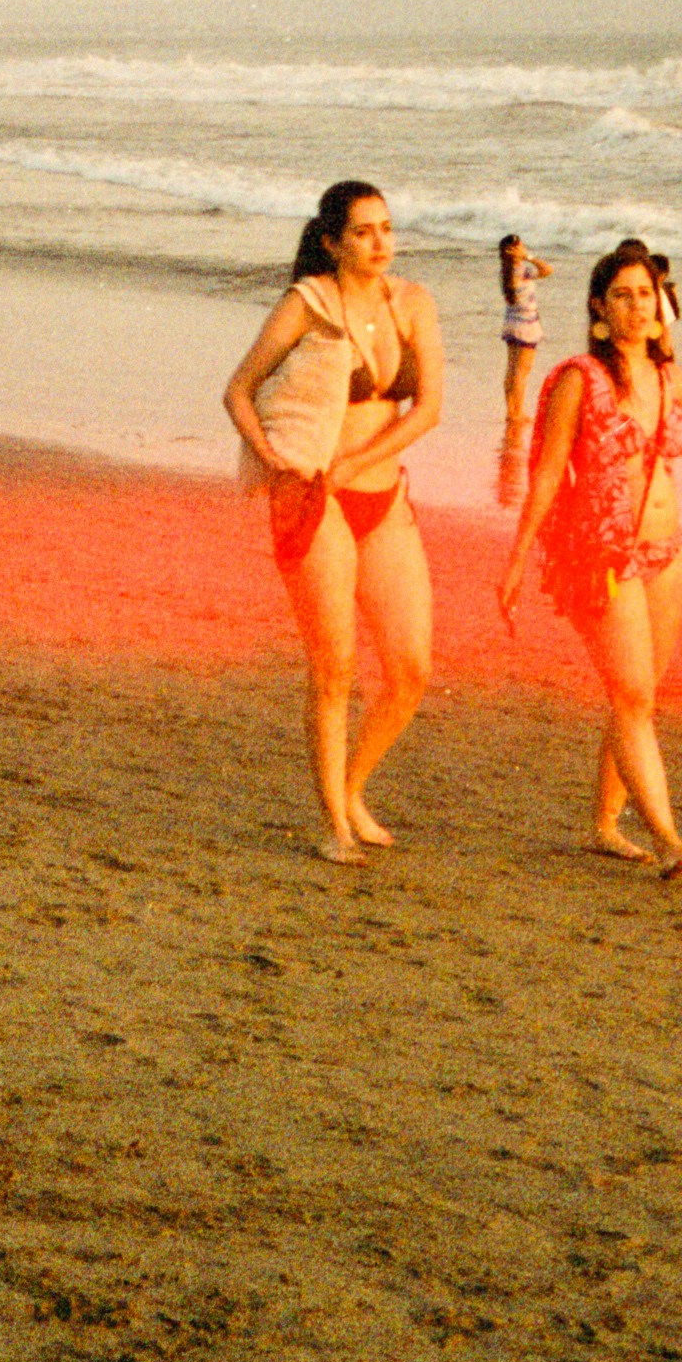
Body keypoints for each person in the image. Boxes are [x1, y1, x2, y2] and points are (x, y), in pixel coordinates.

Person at [497, 242, 682, 876]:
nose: (635, 306)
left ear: (661, 304)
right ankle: (669, 839)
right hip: (603, 552)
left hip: (667, 553)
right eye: (621, 295)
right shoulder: (579, 377)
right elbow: (545, 475)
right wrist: (517, 559)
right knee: (631, 695)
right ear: (599, 307)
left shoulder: (671, 377)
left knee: (639, 694)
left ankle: (603, 824)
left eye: (645, 293)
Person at [224, 180, 442, 865]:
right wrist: (272, 460)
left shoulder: (413, 303)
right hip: (313, 498)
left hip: (379, 494)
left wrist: (360, 462)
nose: (380, 242)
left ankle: (351, 788)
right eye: (363, 232)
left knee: (410, 669)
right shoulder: (308, 305)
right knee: (335, 670)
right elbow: (238, 390)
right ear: (332, 242)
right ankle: (336, 830)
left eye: (386, 228)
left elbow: (428, 409)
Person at [497, 234, 545, 439]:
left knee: (512, 368)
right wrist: (529, 257)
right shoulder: (522, 270)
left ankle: (512, 410)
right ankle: (517, 412)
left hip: (511, 322)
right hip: (526, 325)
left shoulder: (505, 272)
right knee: (522, 371)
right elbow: (547, 270)